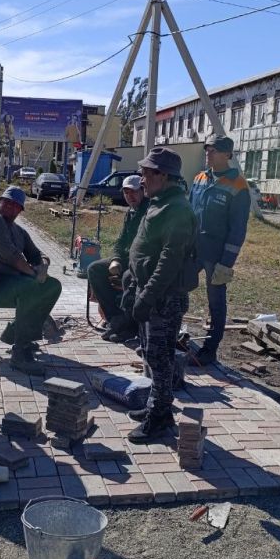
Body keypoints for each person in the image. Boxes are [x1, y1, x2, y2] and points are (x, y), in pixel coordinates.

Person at [126, 147, 198, 443]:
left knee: (160, 357)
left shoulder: (177, 209)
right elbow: (146, 246)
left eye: (146, 173)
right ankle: (160, 409)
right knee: (154, 356)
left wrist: (148, 296)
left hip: (164, 297)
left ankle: (159, 418)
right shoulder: (159, 203)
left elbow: (170, 261)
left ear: (163, 175)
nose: (142, 179)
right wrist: (133, 277)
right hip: (151, 291)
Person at [0, 186, 62, 374]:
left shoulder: (18, 230)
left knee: (52, 286)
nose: (10, 207)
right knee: (31, 287)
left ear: (20, 209)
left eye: (15, 205)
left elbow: (36, 253)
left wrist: (43, 266)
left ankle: (16, 333)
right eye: (7, 202)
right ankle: (20, 352)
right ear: (0, 201)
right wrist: (34, 275)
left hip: (7, 281)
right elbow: (11, 257)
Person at [188, 134, 251, 365]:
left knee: (216, 302)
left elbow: (238, 228)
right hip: (194, 249)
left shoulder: (238, 185)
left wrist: (227, 262)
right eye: (207, 150)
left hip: (217, 255)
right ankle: (173, 333)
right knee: (177, 288)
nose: (208, 154)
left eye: (213, 150)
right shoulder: (200, 178)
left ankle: (210, 349)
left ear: (227, 154)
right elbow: (189, 212)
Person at [86, 175, 148, 342]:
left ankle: (130, 325)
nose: (130, 196)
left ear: (143, 191)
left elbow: (145, 245)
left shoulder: (148, 211)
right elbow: (121, 241)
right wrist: (116, 259)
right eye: (126, 193)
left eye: (134, 192)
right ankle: (116, 319)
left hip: (143, 260)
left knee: (128, 277)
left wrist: (126, 262)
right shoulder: (130, 212)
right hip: (127, 258)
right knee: (94, 269)